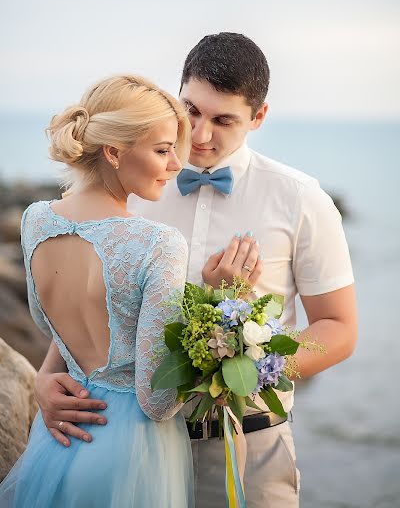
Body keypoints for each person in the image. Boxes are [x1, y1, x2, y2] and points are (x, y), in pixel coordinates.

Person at [33, 33, 358, 508]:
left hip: (248, 444)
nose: (201, 135)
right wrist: (46, 375)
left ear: (259, 116)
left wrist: (249, 369)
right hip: (132, 444)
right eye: (192, 111)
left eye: (224, 119)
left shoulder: (301, 199)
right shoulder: (131, 186)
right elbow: (96, 297)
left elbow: (340, 330)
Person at [0, 74, 199, 507]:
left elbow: (47, 324)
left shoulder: (35, 221)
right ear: (113, 151)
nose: (175, 165)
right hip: (132, 452)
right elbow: (158, 398)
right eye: (163, 150)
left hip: (60, 439)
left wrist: (47, 376)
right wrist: (215, 342)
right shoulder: (158, 244)